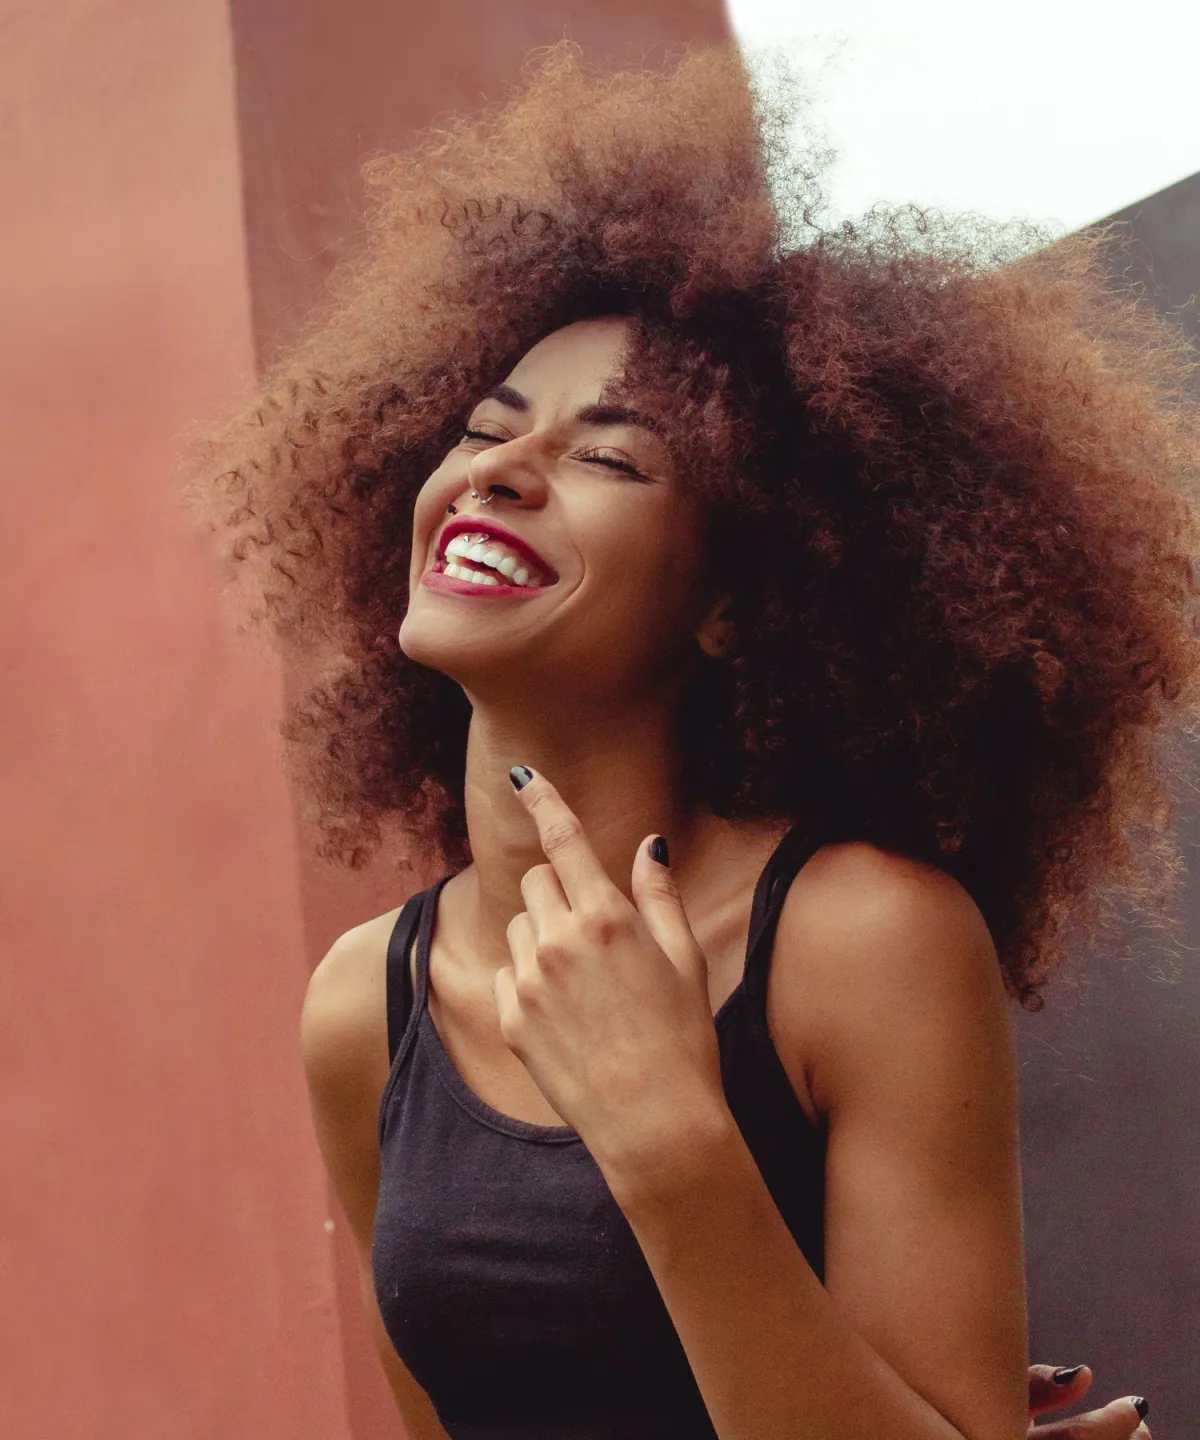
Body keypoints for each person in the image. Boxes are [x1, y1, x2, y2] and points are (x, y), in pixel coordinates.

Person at [195, 42, 1193, 1440]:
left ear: (735, 604)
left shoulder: (861, 943)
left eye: (607, 457)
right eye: (482, 432)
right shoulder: (366, 1008)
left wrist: (666, 1137)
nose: (498, 472)